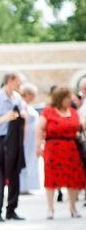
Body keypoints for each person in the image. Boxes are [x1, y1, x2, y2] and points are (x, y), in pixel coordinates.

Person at [36, 86, 85, 219]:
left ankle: (73, 207)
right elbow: (40, 129)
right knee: (51, 178)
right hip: (53, 148)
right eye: (68, 97)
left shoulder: (73, 112)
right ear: (60, 98)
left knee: (73, 178)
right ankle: (50, 208)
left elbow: (80, 127)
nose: (71, 100)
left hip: (71, 148)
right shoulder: (48, 111)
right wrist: (38, 145)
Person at [0, 72, 26, 222]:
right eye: (18, 82)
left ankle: (11, 210)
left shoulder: (18, 98)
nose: (20, 86)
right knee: (0, 174)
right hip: (0, 138)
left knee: (15, 173)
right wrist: (5, 118)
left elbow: (23, 117)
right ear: (10, 81)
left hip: (15, 139)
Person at [19, 83, 41, 193]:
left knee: (30, 160)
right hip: (26, 138)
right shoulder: (22, 105)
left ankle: (27, 185)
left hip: (32, 139)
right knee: (26, 160)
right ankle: (22, 186)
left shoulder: (27, 105)